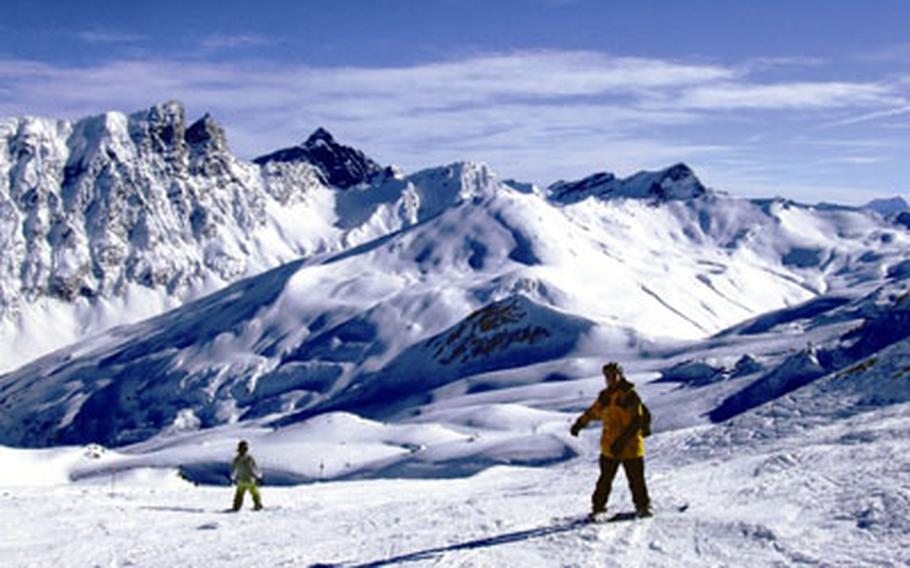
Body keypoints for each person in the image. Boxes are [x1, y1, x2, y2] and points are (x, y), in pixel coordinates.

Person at [570, 362, 651, 519]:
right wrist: (579, 424)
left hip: (631, 447)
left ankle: (643, 507)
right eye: (607, 376)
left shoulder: (630, 395)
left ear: (621, 375)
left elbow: (637, 420)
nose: (611, 378)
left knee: (636, 480)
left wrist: (622, 441)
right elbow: (593, 412)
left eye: (614, 375)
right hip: (609, 446)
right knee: (605, 480)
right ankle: (598, 508)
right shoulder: (605, 396)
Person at [230, 440, 263, 511]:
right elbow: (255, 468)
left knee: (239, 494)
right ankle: (258, 505)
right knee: (255, 493)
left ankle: (236, 506)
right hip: (250, 479)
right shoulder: (249, 458)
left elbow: (233, 469)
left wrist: (233, 477)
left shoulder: (236, 459)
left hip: (241, 480)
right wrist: (258, 476)